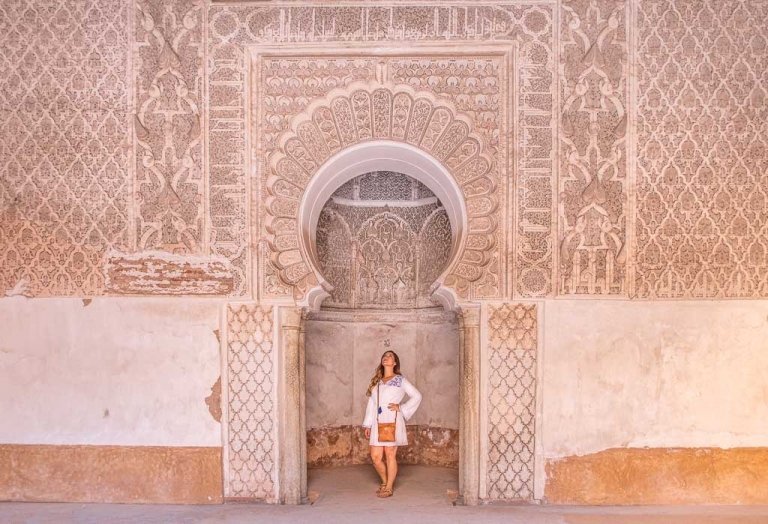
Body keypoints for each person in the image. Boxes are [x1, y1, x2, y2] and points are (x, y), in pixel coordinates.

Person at [362, 350, 422, 498]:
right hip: (377, 421)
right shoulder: (377, 381)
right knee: (376, 457)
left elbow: (417, 396)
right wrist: (368, 424)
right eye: (384, 356)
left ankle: (389, 487)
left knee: (390, 454)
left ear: (395, 363)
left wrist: (401, 408)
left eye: (390, 356)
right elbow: (371, 403)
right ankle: (384, 481)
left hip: (392, 420)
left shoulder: (400, 380)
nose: (386, 358)